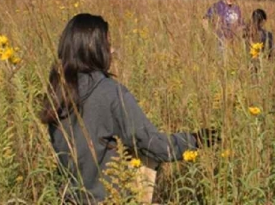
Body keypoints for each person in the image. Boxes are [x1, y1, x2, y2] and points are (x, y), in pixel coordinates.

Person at [40, 13, 217, 204]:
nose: (113, 50)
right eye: (107, 45)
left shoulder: (57, 92)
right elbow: (153, 145)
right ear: (94, 50)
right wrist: (196, 139)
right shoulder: (110, 92)